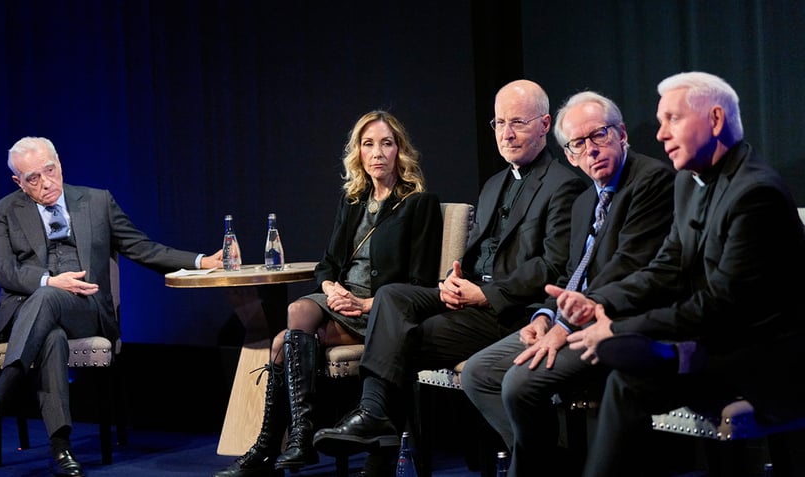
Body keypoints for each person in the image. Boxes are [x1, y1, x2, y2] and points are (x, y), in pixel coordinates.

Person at [312, 79, 587, 473]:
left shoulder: (564, 185)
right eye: (499, 123)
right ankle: (374, 415)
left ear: (545, 125)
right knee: (392, 297)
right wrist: (456, 283)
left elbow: (553, 267)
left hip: (510, 311)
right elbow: (477, 257)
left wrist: (484, 294)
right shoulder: (494, 184)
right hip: (469, 301)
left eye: (518, 123)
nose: (506, 133)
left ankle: (378, 449)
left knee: (398, 338)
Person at [555, 72, 805, 477]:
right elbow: (666, 267)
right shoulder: (688, 183)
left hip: (763, 359)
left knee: (621, 354)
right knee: (623, 370)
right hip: (717, 340)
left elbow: (720, 305)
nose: (659, 134)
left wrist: (618, 328)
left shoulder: (757, 193)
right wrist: (600, 301)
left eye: (672, 119)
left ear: (716, 120)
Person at [0, 136, 223, 477]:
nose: (46, 183)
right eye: (33, 178)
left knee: (47, 302)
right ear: (18, 182)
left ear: (59, 163)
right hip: (32, 313)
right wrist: (49, 280)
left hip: (86, 309)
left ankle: (3, 390)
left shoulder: (97, 201)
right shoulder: (2, 211)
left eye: (50, 170)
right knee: (51, 336)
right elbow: (5, 271)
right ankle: (62, 449)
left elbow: (141, 247)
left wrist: (201, 260)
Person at [211, 110, 443, 477]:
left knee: (282, 343)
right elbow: (328, 264)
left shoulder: (419, 204)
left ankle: (272, 447)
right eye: (369, 144)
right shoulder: (352, 200)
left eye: (386, 143)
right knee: (299, 312)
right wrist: (332, 288)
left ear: (400, 150)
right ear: (359, 153)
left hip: (382, 310)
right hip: (339, 301)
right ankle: (298, 438)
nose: (378, 152)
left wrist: (365, 302)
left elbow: (421, 281)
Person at [460, 90, 675, 477]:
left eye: (599, 135)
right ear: (571, 155)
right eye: (578, 143)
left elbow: (628, 268)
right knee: (480, 373)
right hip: (566, 320)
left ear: (622, 133)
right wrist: (543, 317)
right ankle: (554, 466)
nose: (590, 150)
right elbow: (567, 276)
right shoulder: (584, 203)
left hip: (618, 323)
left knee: (520, 383)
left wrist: (564, 326)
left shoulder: (652, 181)